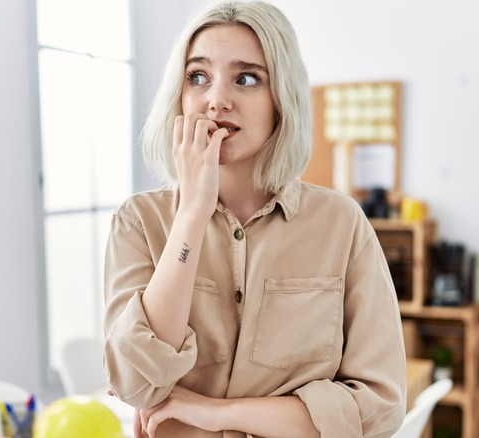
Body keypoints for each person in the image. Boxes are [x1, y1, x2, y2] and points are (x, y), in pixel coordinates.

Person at [102, 1, 406, 436]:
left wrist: (216, 412)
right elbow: (135, 382)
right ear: (179, 95)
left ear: (281, 99)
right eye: (198, 76)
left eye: (247, 78)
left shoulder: (342, 225)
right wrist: (191, 214)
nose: (216, 100)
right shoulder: (138, 222)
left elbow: (379, 407)